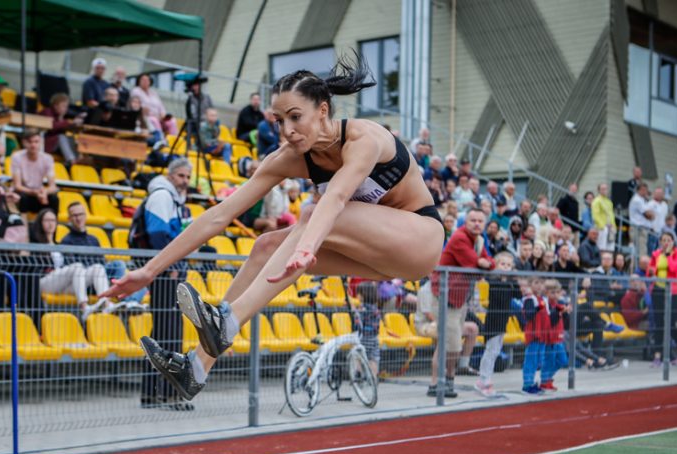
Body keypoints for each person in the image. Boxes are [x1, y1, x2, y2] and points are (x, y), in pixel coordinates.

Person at [103, 56, 444, 402]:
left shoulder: (364, 138)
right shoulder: (288, 157)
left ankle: (228, 320)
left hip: (420, 240)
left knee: (312, 213)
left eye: (296, 117)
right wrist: (148, 271)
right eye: (279, 121)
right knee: (265, 245)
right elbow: (219, 216)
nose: (287, 131)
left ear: (323, 110)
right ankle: (197, 368)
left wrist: (306, 247)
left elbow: (337, 197)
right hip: (377, 257)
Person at [136, 158, 194, 409]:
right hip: (164, 273)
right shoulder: (162, 196)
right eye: (181, 176)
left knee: (164, 333)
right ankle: (168, 394)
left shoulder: (173, 199)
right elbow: (158, 234)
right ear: (171, 176)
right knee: (169, 334)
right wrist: (170, 264)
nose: (185, 182)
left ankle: (154, 393)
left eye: (188, 177)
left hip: (167, 271)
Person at [427, 208, 492, 396]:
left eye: (480, 220)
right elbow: (473, 264)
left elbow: (489, 262)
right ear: (466, 221)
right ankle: (440, 383)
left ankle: (443, 383)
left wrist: (486, 264)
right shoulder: (459, 237)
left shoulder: (478, 241)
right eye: (473, 220)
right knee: (450, 343)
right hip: (445, 297)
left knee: (447, 343)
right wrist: (483, 264)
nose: (477, 224)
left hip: (460, 298)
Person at [475, 251, 519, 397]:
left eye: (508, 265)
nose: (505, 267)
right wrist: (508, 282)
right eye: (503, 264)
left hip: (503, 321)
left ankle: (485, 379)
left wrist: (514, 280)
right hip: (493, 321)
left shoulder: (510, 282)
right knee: (491, 351)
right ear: (497, 265)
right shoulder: (494, 280)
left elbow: (518, 294)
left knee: (495, 351)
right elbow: (500, 295)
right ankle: (484, 379)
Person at [646, 231, 677, 366]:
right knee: (659, 323)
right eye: (663, 240)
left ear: (673, 242)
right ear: (660, 242)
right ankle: (658, 355)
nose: (666, 242)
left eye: (668, 240)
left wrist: (668, 255)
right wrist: (651, 270)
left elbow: (675, 268)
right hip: (658, 290)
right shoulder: (656, 254)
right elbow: (649, 269)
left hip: (673, 291)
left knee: (672, 322)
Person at [10, 130, 59, 215]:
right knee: (22, 197)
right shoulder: (17, 157)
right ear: (24, 143)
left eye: (36, 142)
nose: (33, 145)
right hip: (24, 193)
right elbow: (17, 186)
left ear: (40, 142)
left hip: (38, 193)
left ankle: (52, 224)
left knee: (54, 199)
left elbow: (53, 186)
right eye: (30, 142)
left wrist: (44, 192)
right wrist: (34, 192)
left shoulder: (47, 158)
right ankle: (23, 225)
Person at [521, 276, 550, 395]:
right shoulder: (529, 299)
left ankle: (534, 381)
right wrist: (538, 308)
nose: (539, 286)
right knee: (531, 360)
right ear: (530, 285)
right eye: (536, 283)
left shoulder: (544, 299)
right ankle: (527, 384)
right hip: (534, 334)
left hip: (543, 335)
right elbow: (528, 315)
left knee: (540, 360)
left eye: (541, 283)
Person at [540, 280, 569, 391]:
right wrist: (558, 311)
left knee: (563, 360)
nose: (556, 295)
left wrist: (565, 313)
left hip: (559, 337)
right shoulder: (546, 304)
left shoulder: (559, 304)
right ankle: (545, 381)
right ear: (547, 293)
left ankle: (547, 378)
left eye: (558, 292)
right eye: (553, 292)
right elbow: (551, 321)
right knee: (549, 360)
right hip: (550, 339)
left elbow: (565, 322)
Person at [41, 93, 83, 164]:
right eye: (63, 106)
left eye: (66, 107)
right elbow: (52, 127)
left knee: (70, 138)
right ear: (55, 105)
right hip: (45, 144)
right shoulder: (47, 112)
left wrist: (73, 124)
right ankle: (71, 160)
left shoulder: (59, 115)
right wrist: (68, 122)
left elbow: (61, 129)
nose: (65, 109)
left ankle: (77, 159)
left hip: (55, 145)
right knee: (61, 137)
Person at [353, 281, 382, 378]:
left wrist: (354, 311)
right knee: (373, 358)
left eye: (359, 293)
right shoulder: (376, 309)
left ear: (363, 295)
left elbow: (357, 322)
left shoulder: (362, 308)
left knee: (358, 355)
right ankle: (373, 377)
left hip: (363, 338)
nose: (357, 295)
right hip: (374, 338)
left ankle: (358, 373)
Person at [591, 183, 616, 252]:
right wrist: (603, 226)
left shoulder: (609, 202)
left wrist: (613, 225)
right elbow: (595, 215)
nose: (605, 190)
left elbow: (611, 215)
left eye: (606, 189)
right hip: (602, 228)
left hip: (611, 228)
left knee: (610, 248)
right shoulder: (596, 201)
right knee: (602, 247)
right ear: (599, 190)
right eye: (603, 189)